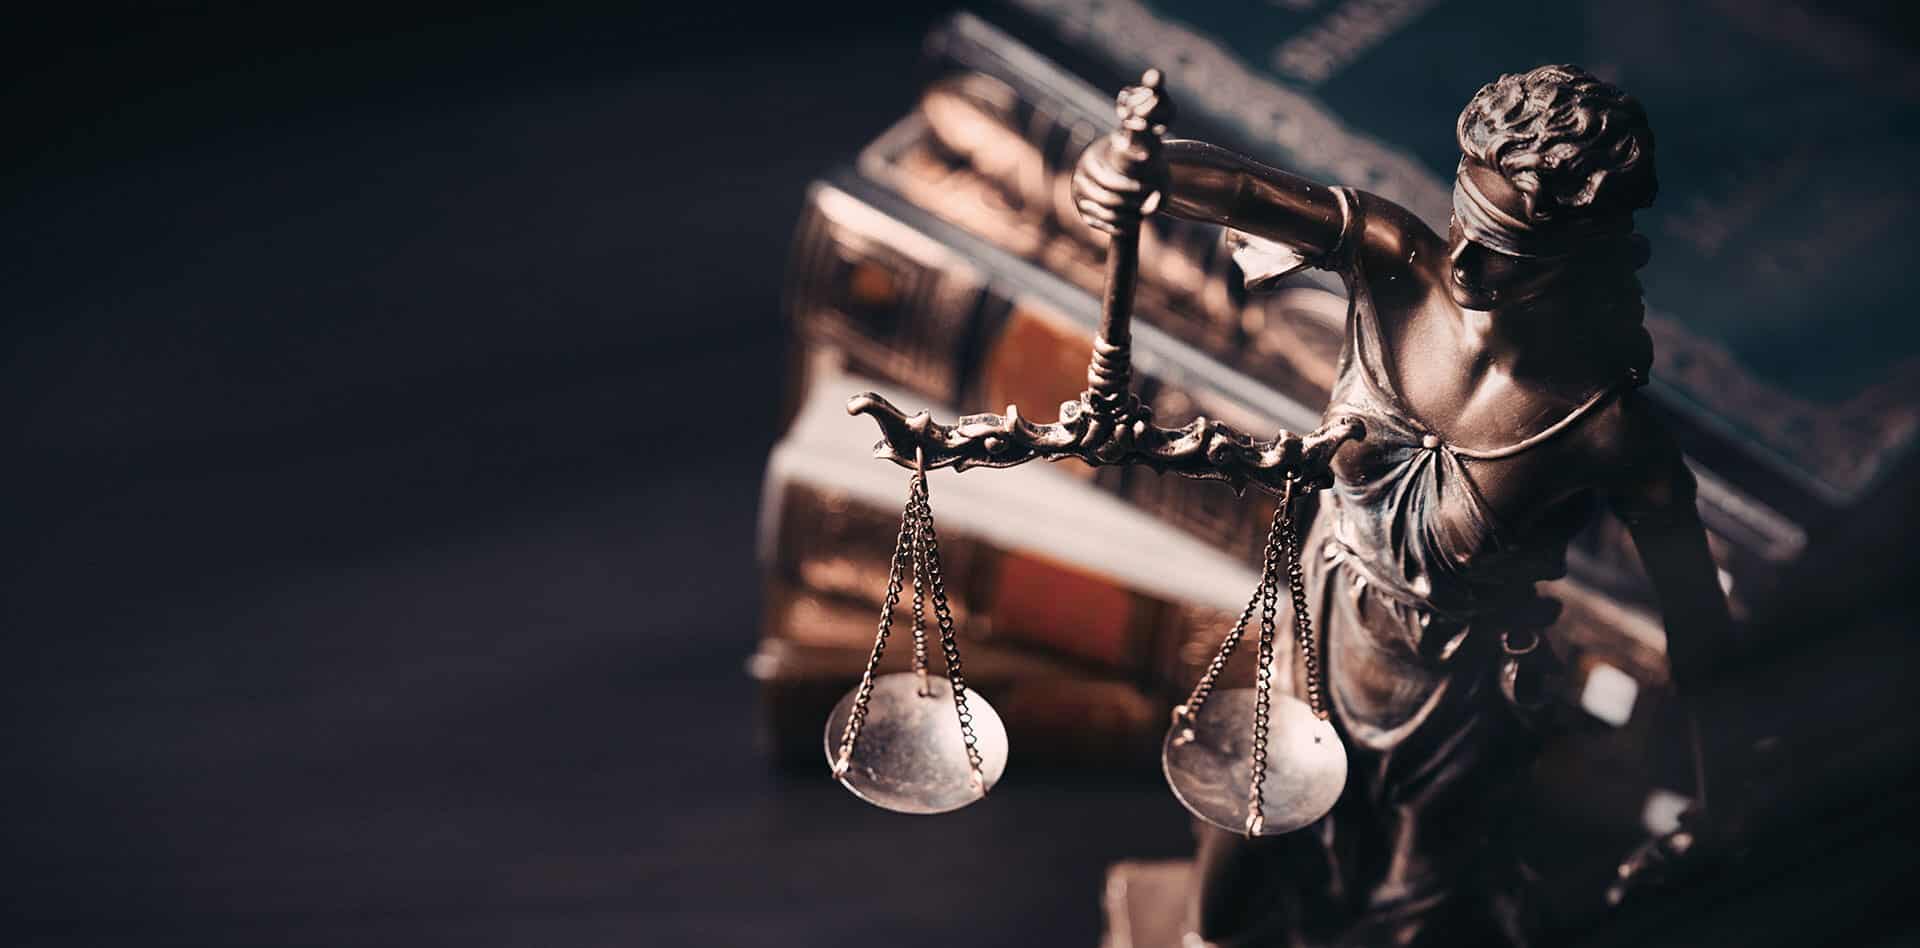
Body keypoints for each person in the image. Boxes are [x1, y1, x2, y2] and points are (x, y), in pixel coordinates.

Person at [1073, 64, 1735, 947]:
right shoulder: (1393, 262)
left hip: (1460, 702)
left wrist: (1724, 804)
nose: (1462, 258)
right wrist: (1135, 171)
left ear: (1581, 255)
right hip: (1323, 628)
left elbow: (1701, 632)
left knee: (1415, 912)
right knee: (1236, 873)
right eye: (1464, 216)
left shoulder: (1604, 426)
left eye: (1504, 245)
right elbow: (1237, 185)